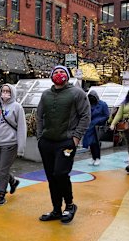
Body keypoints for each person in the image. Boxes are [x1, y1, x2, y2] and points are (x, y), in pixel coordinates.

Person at [36, 65, 90, 223]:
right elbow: (39, 116)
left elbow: (85, 116)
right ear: (52, 76)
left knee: (60, 173)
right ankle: (56, 209)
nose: (59, 74)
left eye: (62, 72)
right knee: (51, 177)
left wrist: (76, 138)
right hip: (47, 142)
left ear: (67, 76)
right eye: (56, 72)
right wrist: (40, 137)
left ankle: (70, 205)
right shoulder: (45, 94)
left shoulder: (77, 93)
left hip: (66, 142)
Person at [0, 84, 27, 206]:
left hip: (10, 144)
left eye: (8, 91)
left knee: (3, 170)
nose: (5, 93)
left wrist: (21, 148)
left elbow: (22, 128)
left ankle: (1, 194)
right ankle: (13, 181)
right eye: (3, 91)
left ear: (12, 92)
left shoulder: (17, 107)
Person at [82, 90, 110, 166]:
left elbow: (106, 115)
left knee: (96, 143)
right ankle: (93, 157)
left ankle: (97, 158)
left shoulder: (103, 104)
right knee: (90, 143)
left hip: (97, 127)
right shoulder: (88, 104)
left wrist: (99, 120)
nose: (91, 98)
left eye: (92, 97)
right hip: (89, 127)